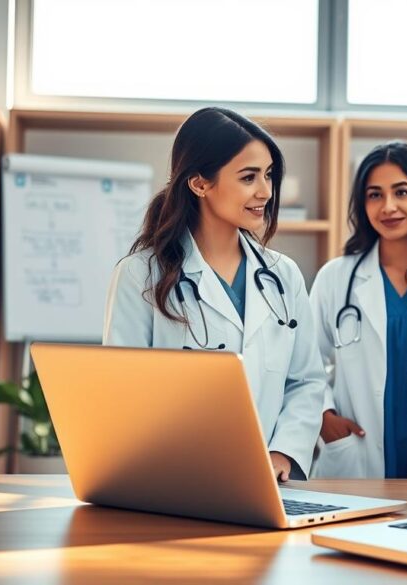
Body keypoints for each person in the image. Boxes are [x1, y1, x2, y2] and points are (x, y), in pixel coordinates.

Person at [103, 107, 324, 482]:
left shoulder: (282, 275)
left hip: (271, 484)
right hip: (174, 481)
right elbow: (123, 393)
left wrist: (283, 452)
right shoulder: (140, 275)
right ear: (200, 183)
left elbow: (306, 381)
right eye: (248, 176)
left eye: (269, 175)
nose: (266, 191)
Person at [309, 142, 407, 478]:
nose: (388, 206)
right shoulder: (337, 278)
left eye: (402, 192)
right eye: (375, 195)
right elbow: (304, 361)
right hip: (354, 456)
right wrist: (323, 416)